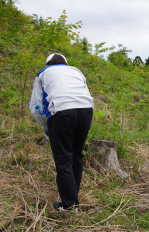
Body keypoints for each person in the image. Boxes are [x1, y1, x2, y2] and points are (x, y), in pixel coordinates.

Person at [29, 53, 94, 211]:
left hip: (61, 111)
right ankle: (73, 198)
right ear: (66, 63)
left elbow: (36, 107)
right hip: (86, 110)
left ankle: (69, 205)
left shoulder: (43, 73)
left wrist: (46, 127)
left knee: (63, 159)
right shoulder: (77, 71)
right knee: (76, 154)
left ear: (48, 63)